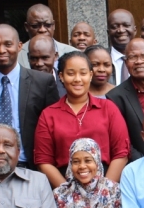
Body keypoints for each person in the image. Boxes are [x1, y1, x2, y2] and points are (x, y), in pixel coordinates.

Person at [35, 51, 130, 186]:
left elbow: (121, 153)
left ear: (90, 75)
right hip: (63, 186)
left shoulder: (109, 108)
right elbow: (43, 161)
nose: (77, 79)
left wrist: (103, 190)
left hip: (105, 185)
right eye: (71, 73)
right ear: (61, 76)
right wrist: (67, 194)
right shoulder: (49, 115)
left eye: (83, 73)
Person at [0, 25, 60, 171]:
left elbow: (54, 129)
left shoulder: (42, 82)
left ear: (19, 46)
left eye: (8, 44)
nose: (1, 50)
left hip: (32, 168)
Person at [17, 3, 77, 70]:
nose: (42, 30)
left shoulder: (74, 53)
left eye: (47, 25)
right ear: (27, 27)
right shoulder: (17, 55)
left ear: (53, 25)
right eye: (35, 26)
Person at [107, 9, 137, 85]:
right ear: (108, 32)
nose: (121, 30)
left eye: (126, 25)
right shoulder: (99, 60)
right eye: (115, 26)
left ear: (135, 30)